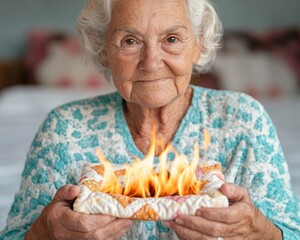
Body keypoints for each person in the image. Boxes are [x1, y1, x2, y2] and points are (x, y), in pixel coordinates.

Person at [1, 0, 299, 239]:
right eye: (130, 41)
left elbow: (291, 232)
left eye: (171, 39)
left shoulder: (243, 120)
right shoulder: (64, 129)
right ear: (104, 51)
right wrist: (44, 234)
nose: (152, 62)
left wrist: (260, 234)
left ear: (198, 45)